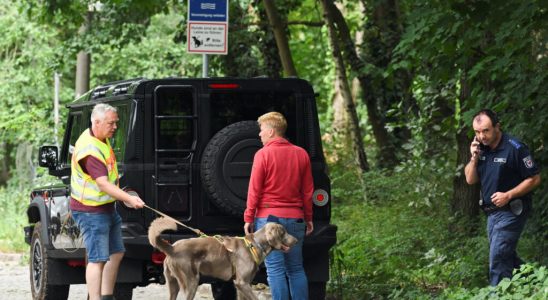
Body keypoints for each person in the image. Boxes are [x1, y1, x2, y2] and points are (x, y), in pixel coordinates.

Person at [70, 103, 145, 300]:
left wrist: (123, 198)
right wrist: (129, 198)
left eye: (116, 123)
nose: (115, 127)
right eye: (111, 123)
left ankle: (106, 296)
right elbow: (103, 184)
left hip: (106, 208)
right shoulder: (90, 150)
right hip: (90, 211)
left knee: (117, 252)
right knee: (97, 259)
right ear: (96, 122)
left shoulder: (100, 138)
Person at [464, 109, 541, 286]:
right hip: (492, 213)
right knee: (506, 257)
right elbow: (470, 179)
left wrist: (508, 194)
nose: (481, 136)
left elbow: (535, 178)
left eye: (485, 130)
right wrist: (474, 157)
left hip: (512, 210)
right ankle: (538, 283)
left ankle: (497, 295)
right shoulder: (481, 150)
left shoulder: (515, 148)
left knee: (498, 259)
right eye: (477, 132)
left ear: (497, 127)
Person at [243, 112, 314, 300]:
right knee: (296, 268)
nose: (260, 134)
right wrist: (308, 218)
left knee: (275, 269)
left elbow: (254, 190)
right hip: (296, 218)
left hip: (269, 222)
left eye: (262, 130)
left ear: (272, 131)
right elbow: (308, 191)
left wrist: (248, 217)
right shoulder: (301, 154)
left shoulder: (263, 155)